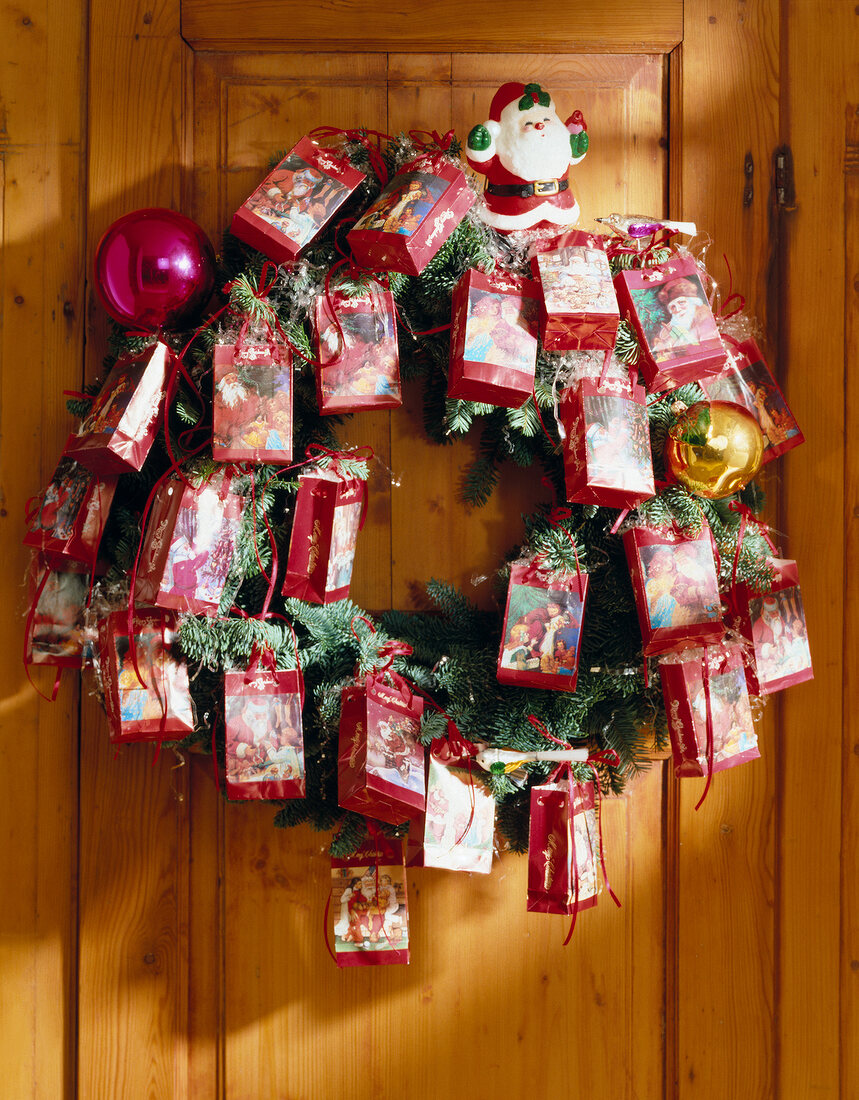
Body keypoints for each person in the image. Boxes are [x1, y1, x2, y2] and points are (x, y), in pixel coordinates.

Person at [651, 277, 719, 359]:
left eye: (681, 302)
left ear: (693, 301)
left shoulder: (705, 319)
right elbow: (661, 346)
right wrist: (661, 346)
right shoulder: (673, 324)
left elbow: (711, 351)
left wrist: (679, 351)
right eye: (673, 307)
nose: (678, 309)